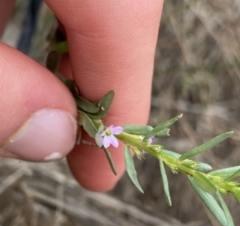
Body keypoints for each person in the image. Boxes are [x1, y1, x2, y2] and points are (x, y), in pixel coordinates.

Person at [0, 0, 164, 192]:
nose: (109, 133)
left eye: (108, 133)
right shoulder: (109, 129)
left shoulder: (109, 131)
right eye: (109, 133)